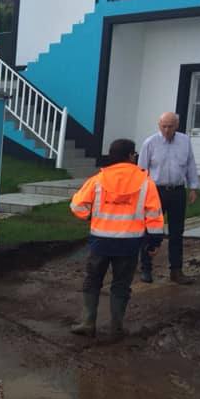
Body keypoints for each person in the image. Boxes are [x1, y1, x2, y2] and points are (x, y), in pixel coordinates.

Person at [70, 138, 164, 339]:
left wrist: (89, 216)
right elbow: (154, 215)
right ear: (131, 156)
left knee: (93, 280)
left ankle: (88, 323)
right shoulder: (146, 183)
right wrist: (154, 242)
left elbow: (77, 205)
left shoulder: (98, 180)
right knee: (121, 285)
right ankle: (116, 328)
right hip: (129, 244)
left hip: (100, 242)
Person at [137, 111, 199, 284]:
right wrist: (142, 193)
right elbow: (141, 170)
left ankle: (176, 270)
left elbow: (190, 164)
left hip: (178, 191)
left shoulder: (185, 141)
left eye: (170, 126)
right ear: (159, 125)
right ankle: (146, 268)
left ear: (176, 126)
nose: (167, 129)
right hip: (156, 191)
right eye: (163, 126)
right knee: (151, 231)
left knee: (177, 232)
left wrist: (193, 187)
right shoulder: (150, 143)